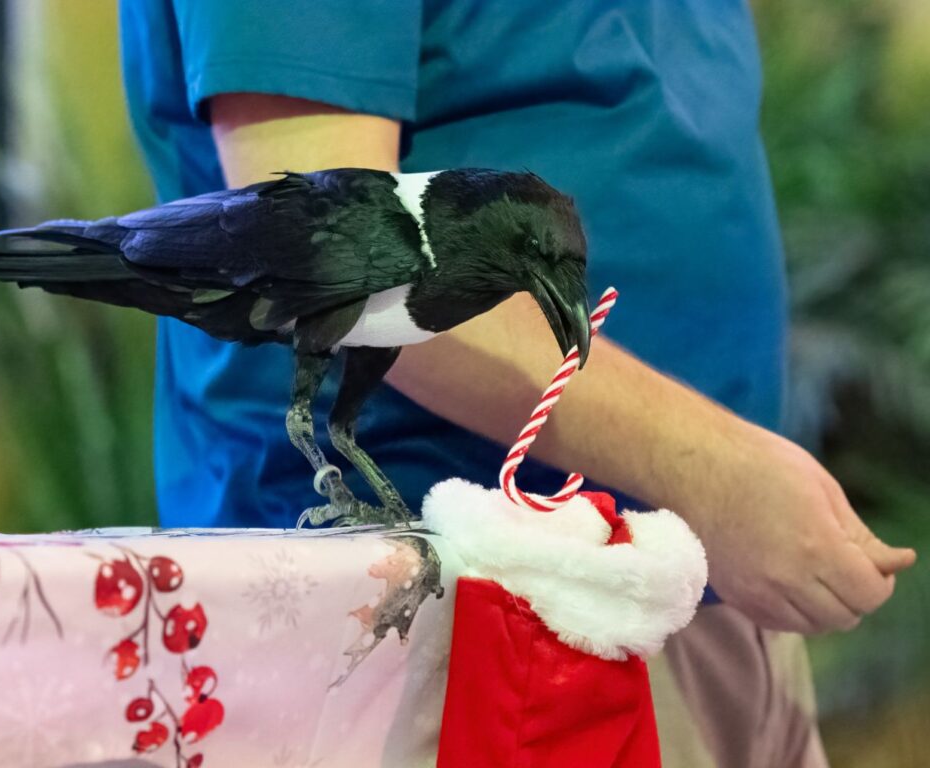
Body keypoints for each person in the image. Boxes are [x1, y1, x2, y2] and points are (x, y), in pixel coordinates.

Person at [119, 2, 915, 765]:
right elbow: (323, 249)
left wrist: (720, 486)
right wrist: (702, 467)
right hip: (431, 623)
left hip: (673, 577)